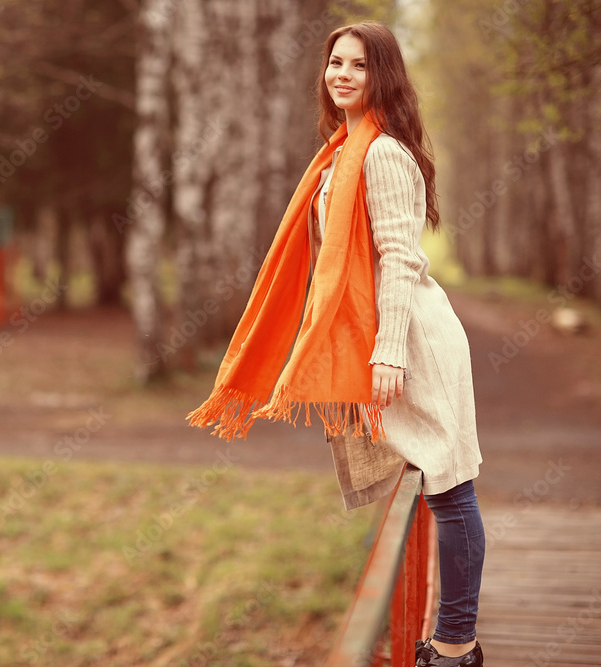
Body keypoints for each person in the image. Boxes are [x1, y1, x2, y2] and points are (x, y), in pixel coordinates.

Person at [187, 22, 485, 667]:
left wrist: (388, 353)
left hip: (413, 338)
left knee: (448, 481)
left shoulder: (381, 155)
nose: (342, 74)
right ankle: (453, 638)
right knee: (436, 476)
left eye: (359, 65)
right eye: (334, 63)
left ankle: (458, 643)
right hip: (386, 332)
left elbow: (401, 260)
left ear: (385, 77)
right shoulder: (337, 153)